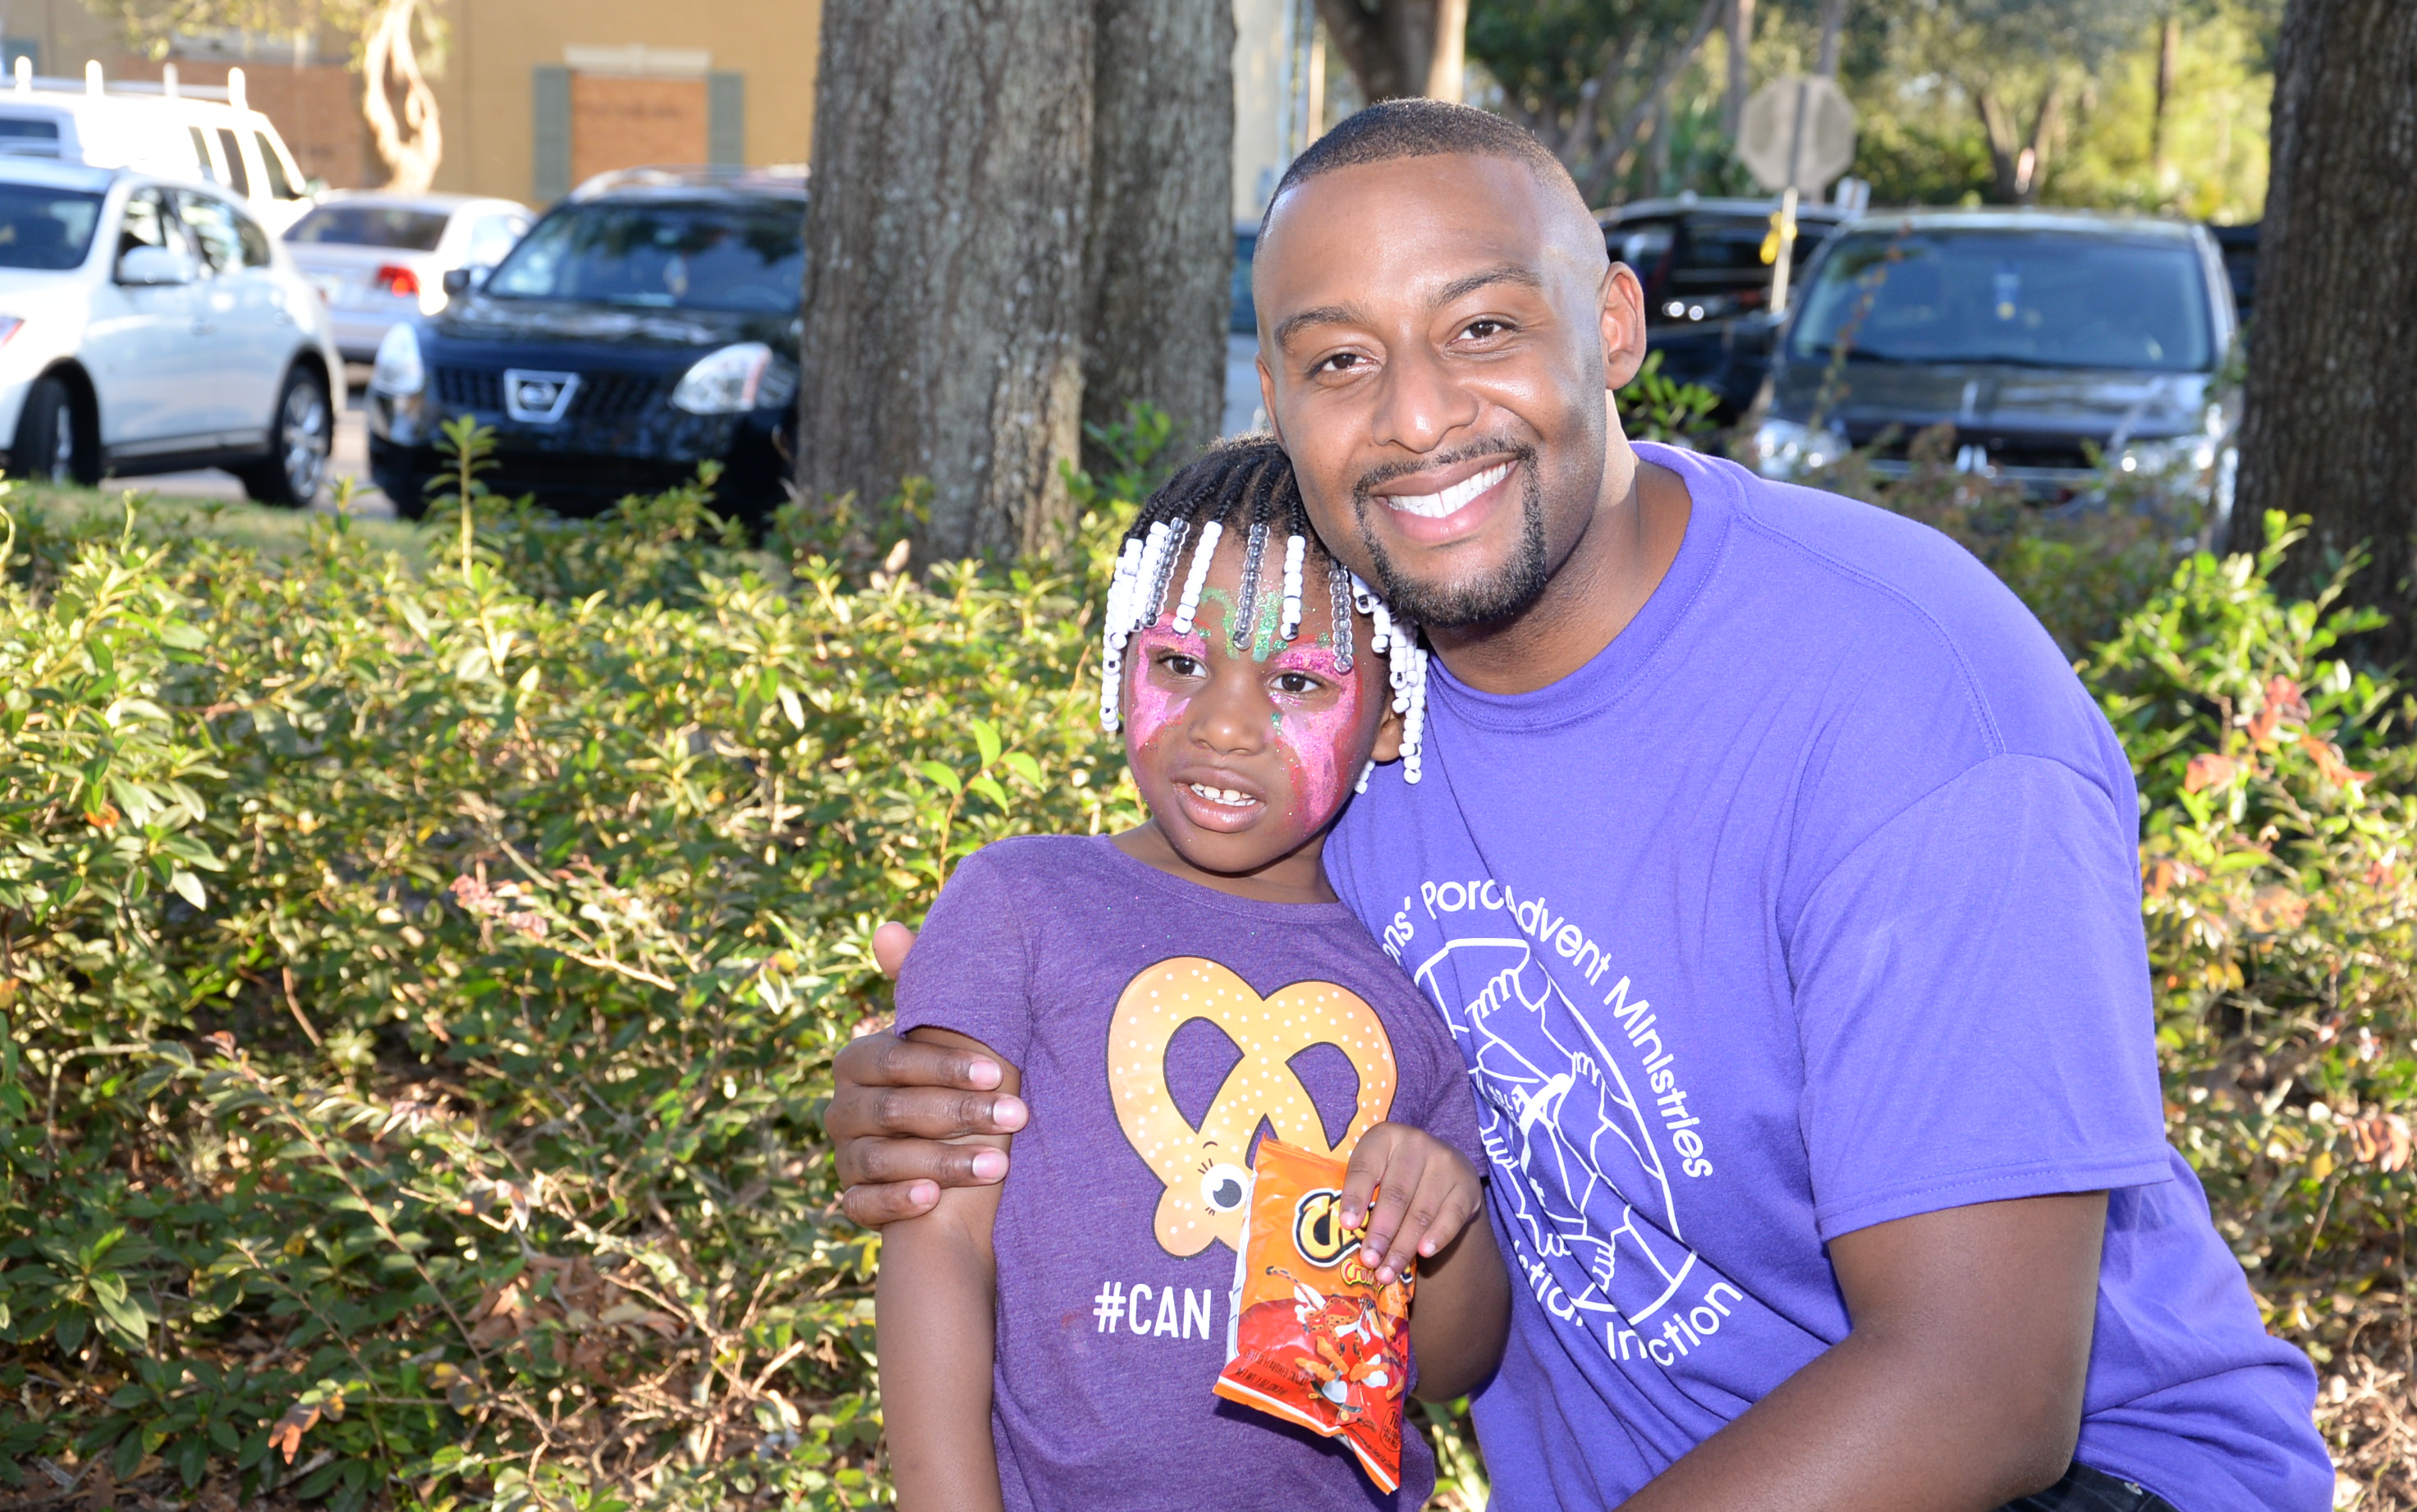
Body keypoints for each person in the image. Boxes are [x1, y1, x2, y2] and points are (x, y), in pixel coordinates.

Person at [835, 101, 2334, 1512]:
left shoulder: (1905, 705)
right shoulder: (1346, 714)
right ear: (1276, 402)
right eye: (1340, 360)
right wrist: (942, 1101)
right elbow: (1158, 973)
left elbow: (1984, 1388)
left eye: (1483, 328)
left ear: (1614, 326)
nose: (1418, 416)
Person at [874, 437, 1511, 1512]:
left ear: (1391, 714)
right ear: (1120, 658)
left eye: (1297, 681)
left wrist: (1439, 1217)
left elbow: (1452, 1368)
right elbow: (938, 1237)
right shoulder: (1019, 904)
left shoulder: (1423, 968)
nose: (1222, 724)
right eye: (1179, 662)